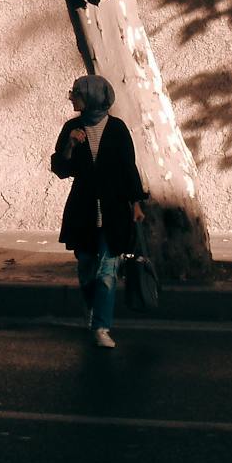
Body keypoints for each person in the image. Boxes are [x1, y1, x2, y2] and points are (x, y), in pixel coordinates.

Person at [50, 74, 148, 349]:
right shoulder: (72, 127)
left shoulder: (117, 129)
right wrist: (70, 145)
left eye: (76, 93)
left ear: (92, 97)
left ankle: (102, 327)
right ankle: (91, 310)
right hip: (83, 210)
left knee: (107, 270)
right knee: (86, 268)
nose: (71, 97)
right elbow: (61, 169)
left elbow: (129, 168)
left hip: (114, 209)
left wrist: (136, 204)